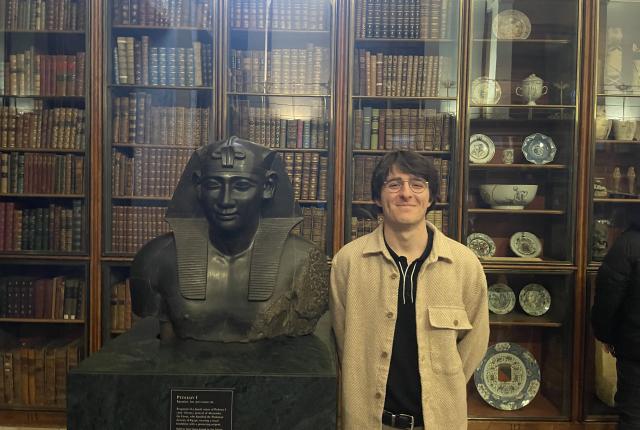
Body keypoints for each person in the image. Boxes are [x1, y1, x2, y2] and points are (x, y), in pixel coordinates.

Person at [330, 150, 489, 429]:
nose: (406, 193)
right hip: (369, 423)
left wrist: (443, 385)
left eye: (417, 184)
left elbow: (474, 343)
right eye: (394, 184)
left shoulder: (464, 264)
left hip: (440, 422)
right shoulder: (348, 262)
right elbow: (343, 342)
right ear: (378, 198)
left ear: (431, 197)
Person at [130, 136, 329, 342]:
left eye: (241, 186)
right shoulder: (155, 260)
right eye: (214, 185)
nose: (226, 201)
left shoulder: (305, 261)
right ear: (198, 186)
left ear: (268, 187)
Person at [592, 221, 640, 429]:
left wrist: (606, 335)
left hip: (635, 347)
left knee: (633, 414)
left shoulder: (628, 244)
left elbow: (608, 298)